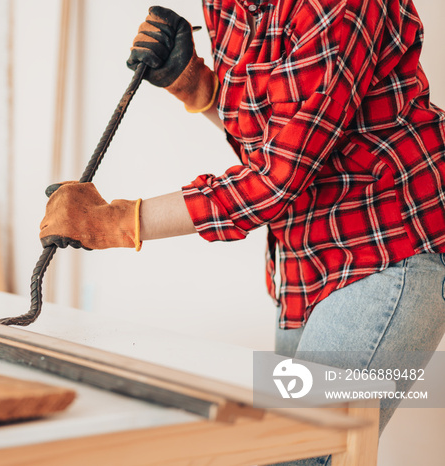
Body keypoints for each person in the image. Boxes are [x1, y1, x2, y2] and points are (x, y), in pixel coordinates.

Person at [39, 1, 445, 464]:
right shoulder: (227, 5)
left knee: (302, 455)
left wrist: (112, 222)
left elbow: (278, 178)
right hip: (302, 260)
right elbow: (269, 137)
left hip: (388, 247)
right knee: (283, 453)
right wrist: (195, 85)